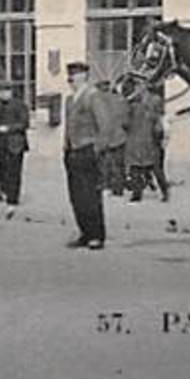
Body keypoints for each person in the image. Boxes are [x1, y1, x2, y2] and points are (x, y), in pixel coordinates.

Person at [62, 62, 105, 249]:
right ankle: (84, 232)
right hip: (72, 151)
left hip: (87, 150)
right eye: (71, 75)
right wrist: (65, 147)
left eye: (76, 75)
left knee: (90, 195)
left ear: (85, 76)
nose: (72, 79)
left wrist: (97, 150)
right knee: (76, 196)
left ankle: (96, 235)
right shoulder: (70, 100)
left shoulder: (92, 97)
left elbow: (104, 125)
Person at [0, 82, 30, 209]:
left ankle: (13, 198)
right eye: (1, 92)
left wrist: (8, 128)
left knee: (14, 171)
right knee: (2, 170)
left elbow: (24, 123)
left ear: (11, 92)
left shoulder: (20, 105)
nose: (4, 94)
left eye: (7, 91)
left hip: (15, 144)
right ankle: (3, 192)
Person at [125, 83, 170, 202]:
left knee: (155, 168)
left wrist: (160, 136)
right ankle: (137, 193)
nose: (137, 88)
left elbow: (159, 119)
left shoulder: (154, 100)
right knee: (135, 169)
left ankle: (165, 192)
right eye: (136, 86)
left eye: (139, 86)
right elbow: (125, 121)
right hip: (136, 140)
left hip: (149, 139)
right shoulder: (132, 103)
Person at [94, 78, 129, 196]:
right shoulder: (120, 100)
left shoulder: (97, 101)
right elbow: (126, 120)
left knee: (103, 163)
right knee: (118, 163)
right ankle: (118, 187)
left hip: (104, 138)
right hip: (119, 137)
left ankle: (105, 185)